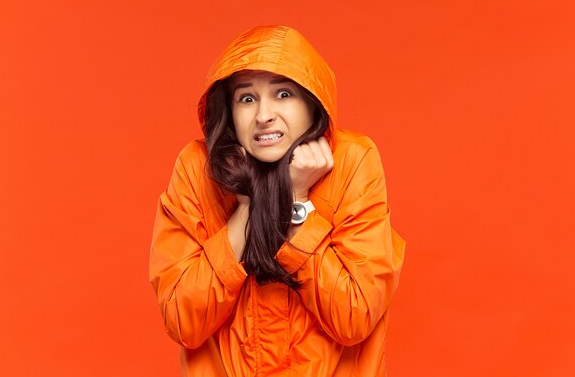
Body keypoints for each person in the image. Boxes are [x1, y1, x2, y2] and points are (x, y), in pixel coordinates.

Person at [149, 25, 405, 376]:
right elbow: (182, 320)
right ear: (229, 107)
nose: (264, 115)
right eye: (247, 98)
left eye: (283, 94)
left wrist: (297, 206)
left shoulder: (353, 161)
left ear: (311, 102)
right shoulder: (198, 169)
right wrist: (248, 209)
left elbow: (354, 315)